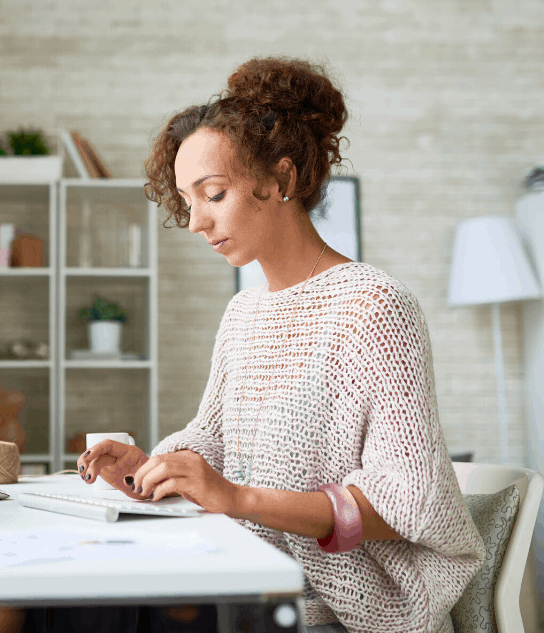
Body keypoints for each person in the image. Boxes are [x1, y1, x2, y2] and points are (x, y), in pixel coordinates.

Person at [79, 57, 485, 633]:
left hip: (345, 613)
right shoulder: (244, 313)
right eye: (186, 200)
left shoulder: (374, 306)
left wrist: (240, 499)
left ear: (283, 180)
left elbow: (409, 504)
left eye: (213, 194)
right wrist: (148, 469)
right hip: (248, 584)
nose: (195, 222)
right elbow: (216, 447)